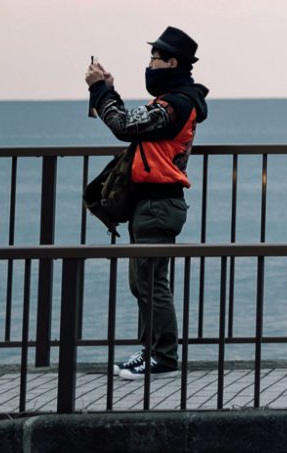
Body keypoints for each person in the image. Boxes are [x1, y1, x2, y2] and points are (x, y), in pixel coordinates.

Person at [85, 26, 210, 379]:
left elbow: (124, 125)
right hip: (151, 204)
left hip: (159, 204)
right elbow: (133, 124)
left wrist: (99, 90)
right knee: (142, 282)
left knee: (152, 282)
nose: (150, 65)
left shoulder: (176, 104)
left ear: (172, 62)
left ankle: (164, 357)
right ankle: (150, 351)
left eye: (154, 58)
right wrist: (107, 91)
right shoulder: (172, 102)